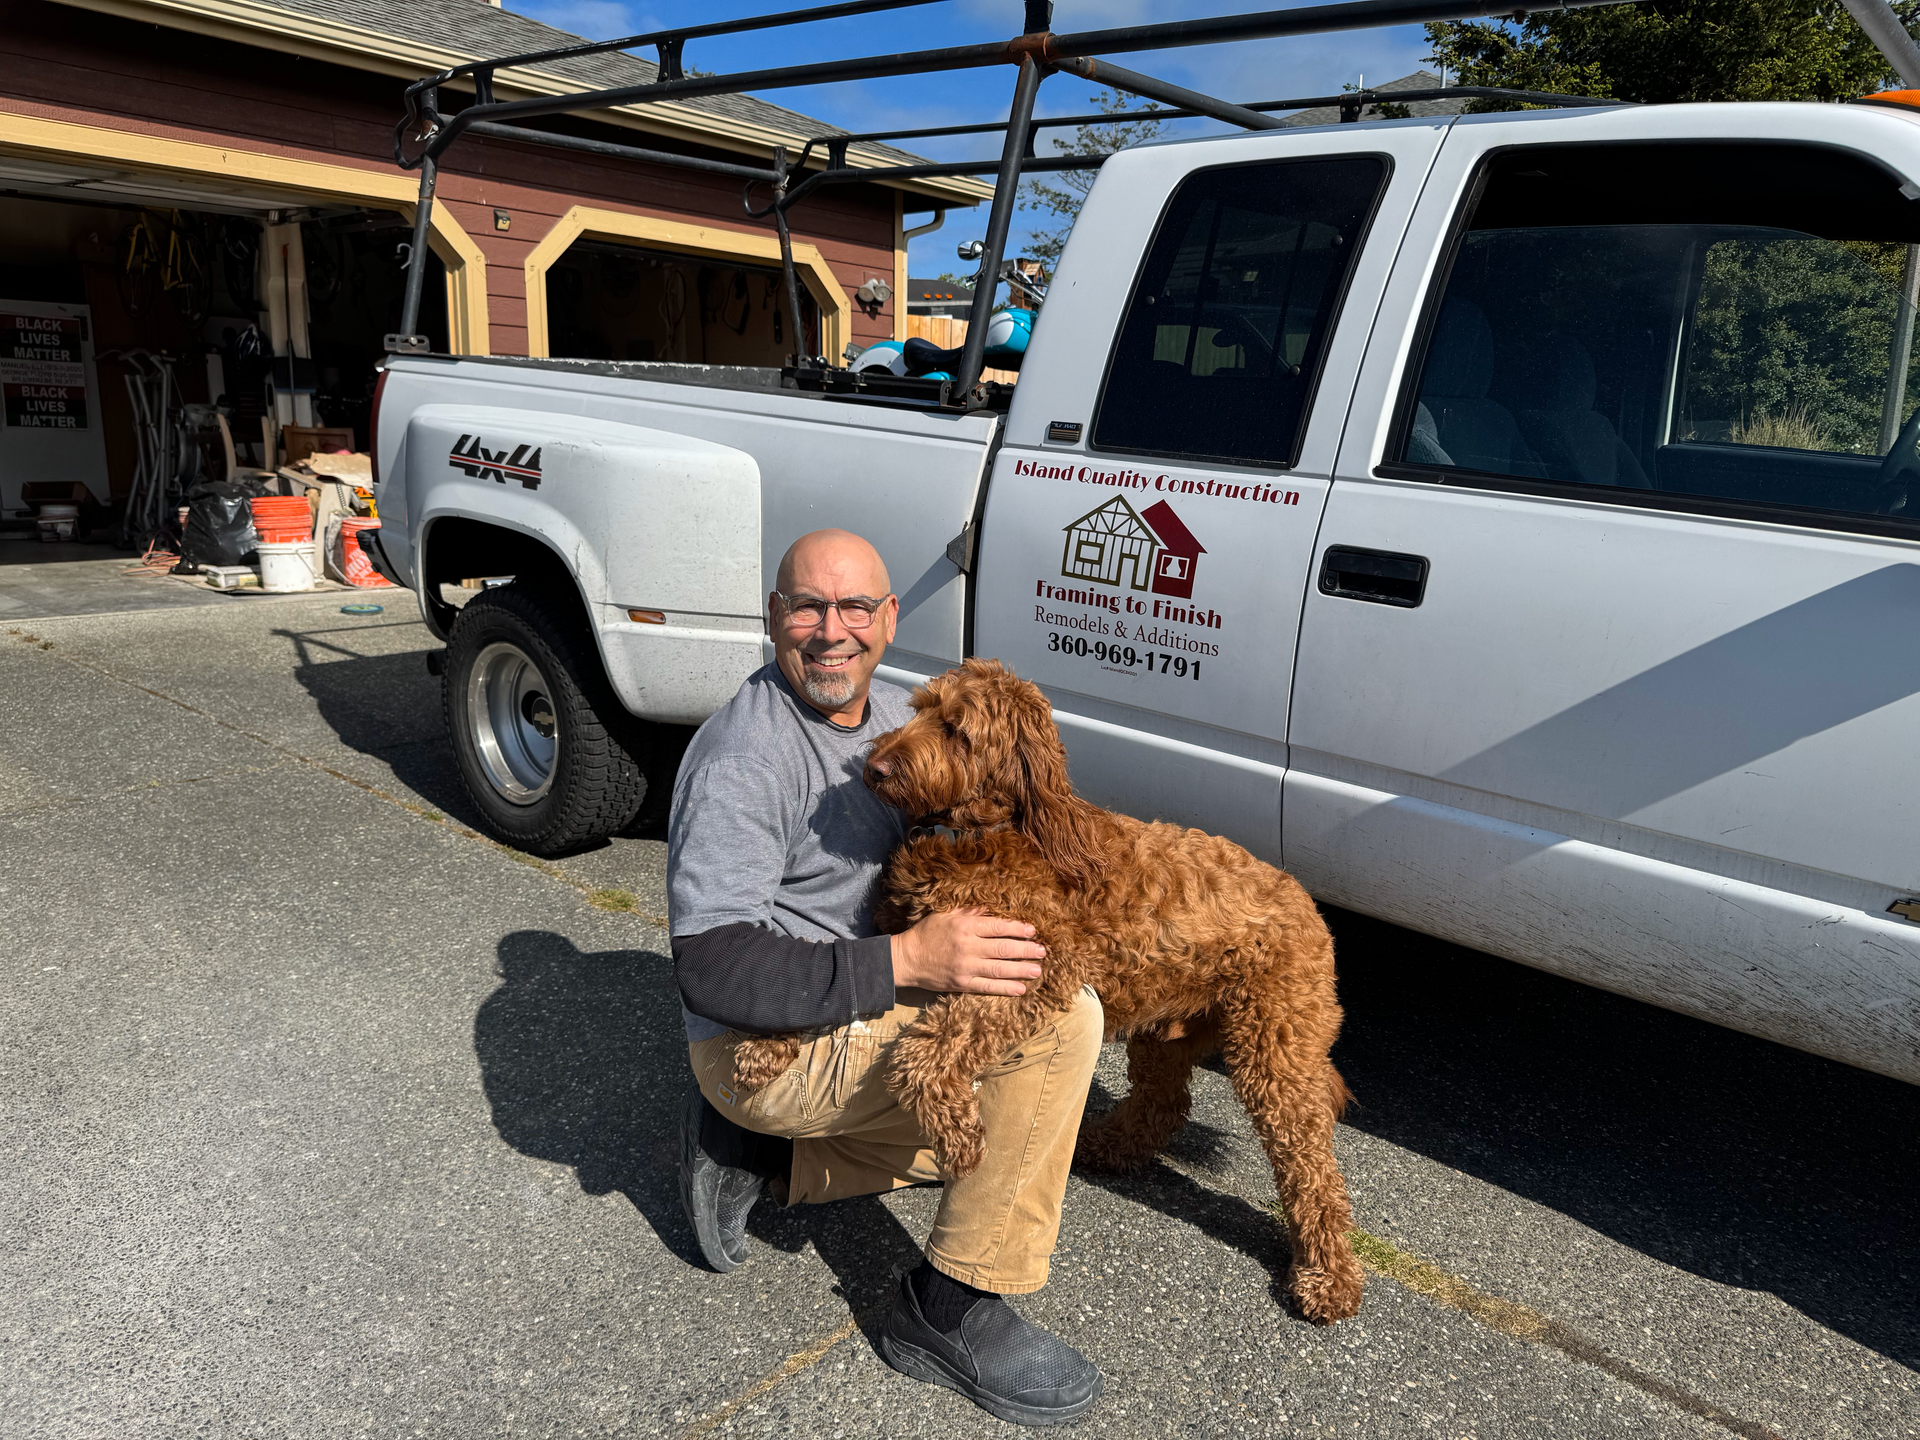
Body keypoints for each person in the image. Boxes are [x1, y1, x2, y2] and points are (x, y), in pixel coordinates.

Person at [670, 528, 1105, 1427]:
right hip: (763, 1039)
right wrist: (910, 959)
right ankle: (944, 1311)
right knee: (1063, 1027)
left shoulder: (897, 714)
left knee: (993, 1137)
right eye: (807, 609)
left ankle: (767, 1163)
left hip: (853, 1002)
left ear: (889, 618)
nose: (833, 632)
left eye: (855, 607)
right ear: (774, 617)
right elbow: (710, 966)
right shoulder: (744, 759)